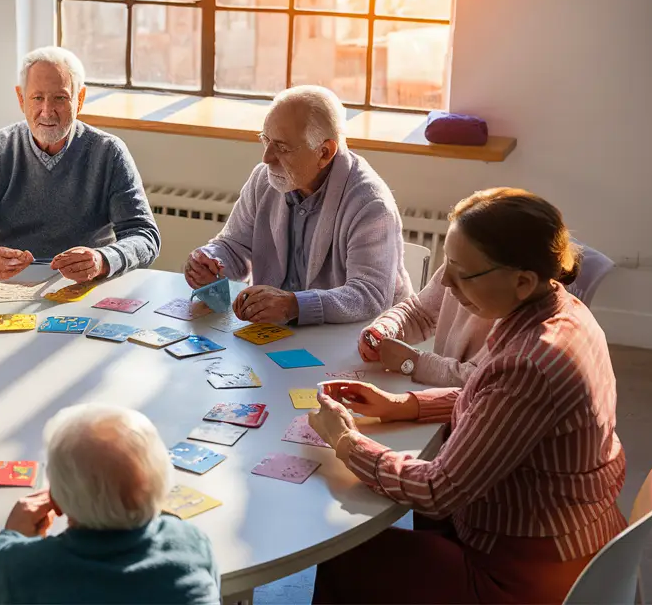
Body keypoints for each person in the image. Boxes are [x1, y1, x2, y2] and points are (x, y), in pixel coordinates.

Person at [307, 188, 625, 604]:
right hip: (573, 535)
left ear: (522, 281)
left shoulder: (530, 362)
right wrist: (402, 404)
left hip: (525, 575)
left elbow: (437, 491)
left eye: (462, 273)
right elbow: (497, 405)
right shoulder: (563, 310)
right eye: (447, 267)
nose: (448, 284)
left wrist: (347, 442)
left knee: (341, 555)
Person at [0, 404, 220, 604]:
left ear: (56, 502)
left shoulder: (18, 567)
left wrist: (8, 539)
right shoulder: (192, 543)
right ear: (162, 488)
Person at [184, 85, 410, 325]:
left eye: (282, 147)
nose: (266, 158)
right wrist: (210, 261)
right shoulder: (264, 179)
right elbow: (233, 246)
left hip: (355, 339)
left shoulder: (371, 203)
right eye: (265, 140)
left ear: (324, 152)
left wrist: (295, 305)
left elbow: (370, 296)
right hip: (278, 335)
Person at [0, 46, 161, 282]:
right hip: (5, 284)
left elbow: (144, 235)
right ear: (21, 99)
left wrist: (102, 260)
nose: (47, 112)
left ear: (80, 99)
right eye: (37, 98)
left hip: (86, 284)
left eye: (60, 98)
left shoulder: (109, 152)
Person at [357, 263, 496, 386]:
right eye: (448, 260)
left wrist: (415, 363)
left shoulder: (513, 328)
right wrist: (386, 327)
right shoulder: (463, 255)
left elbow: (481, 381)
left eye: (461, 268)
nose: (444, 281)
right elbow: (419, 312)